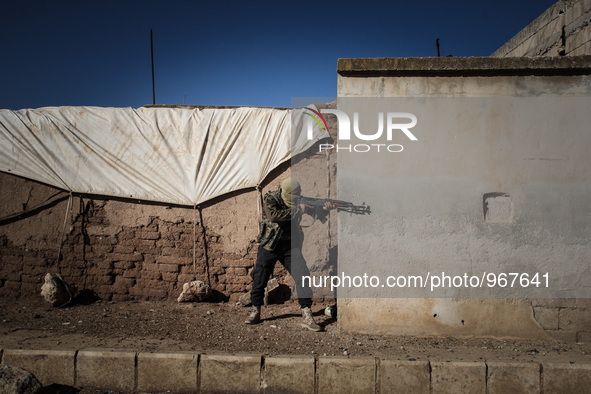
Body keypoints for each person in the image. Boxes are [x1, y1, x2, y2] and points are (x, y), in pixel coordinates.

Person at [245, 178, 334, 331]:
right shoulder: (271, 198)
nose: (297, 197)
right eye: (294, 194)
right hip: (270, 244)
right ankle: (255, 310)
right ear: (286, 192)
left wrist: (325, 209)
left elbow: (314, 212)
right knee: (260, 276)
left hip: (290, 246)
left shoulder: (300, 200)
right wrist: (299, 209)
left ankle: (306, 312)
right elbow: (274, 216)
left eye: (299, 194)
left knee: (303, 275)